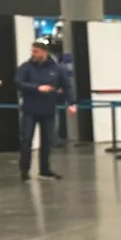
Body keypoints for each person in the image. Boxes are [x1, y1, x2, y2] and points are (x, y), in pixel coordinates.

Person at [15, 41, 74, 181]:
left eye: (36, 51)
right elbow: (18, 83)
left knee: (47, 140)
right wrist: (37, 88)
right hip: (30, 109)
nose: (33, 54)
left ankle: (45, 170)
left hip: (48, 109)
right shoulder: (26, 67)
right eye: (32, 51)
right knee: (26, 140)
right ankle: (24, 171)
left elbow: (67, 86)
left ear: (44, 52)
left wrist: (71, 103)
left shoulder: (57, 68)